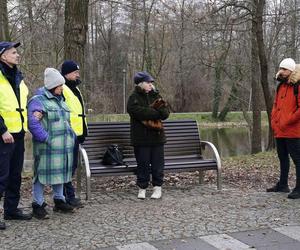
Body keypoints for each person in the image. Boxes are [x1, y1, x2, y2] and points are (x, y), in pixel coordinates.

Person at [27, 68, 75, 219]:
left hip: (64, 148)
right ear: (53, 85)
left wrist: (72, 136)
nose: (62, 87)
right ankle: (38, 204)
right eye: (60, 85)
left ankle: (59, 201)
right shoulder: (38, 101)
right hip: (47, 147)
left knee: (60, 174)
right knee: (40, 176)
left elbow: (67, 122)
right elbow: (33, 123)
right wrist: (46, 138)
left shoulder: (61, 101)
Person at [0, 41, 32, 230]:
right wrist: (2, 130)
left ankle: (11, 209)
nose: (17, 55)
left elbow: (22, 103)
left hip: (18, 133)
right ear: (3, 56)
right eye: (13, 52)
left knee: (15, 175)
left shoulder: (18, 76)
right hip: (3, 135)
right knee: (1, 175)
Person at [127, 71, 170, 199]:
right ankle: (142, 188)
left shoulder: (156, 95)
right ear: (141, 84)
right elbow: (136, 112)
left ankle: (157, 188)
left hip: (157, 137)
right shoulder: (133, 97)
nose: (151, 85)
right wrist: (155, 112)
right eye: (148, 82)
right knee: (143, 164)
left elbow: (165, 113)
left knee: (158, 164)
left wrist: (153, 112)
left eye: (152, 82)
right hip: (141, 138)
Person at [267, 58, 300, 199]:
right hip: (280, 130)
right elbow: (275, 105)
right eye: (280, 68)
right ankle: (283, 185)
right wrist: (274, 121)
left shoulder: (297, 86)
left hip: (294, 131)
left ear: (291, 71)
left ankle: (299, 188)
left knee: (297, 159)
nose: (281, 71)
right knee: (282, 157)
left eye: (284, 69)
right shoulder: (280, 86)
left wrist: (288, 120)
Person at [61, 60, 88, 208]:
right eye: (75, 72)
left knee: (71, 167)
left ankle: (67, 196)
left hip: (76, 133)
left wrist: (83, 130)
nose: (78, 74)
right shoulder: (63, 88)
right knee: (67, 166)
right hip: (67, 134)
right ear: (67, 73)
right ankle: (66, 196)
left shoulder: (75, 88)